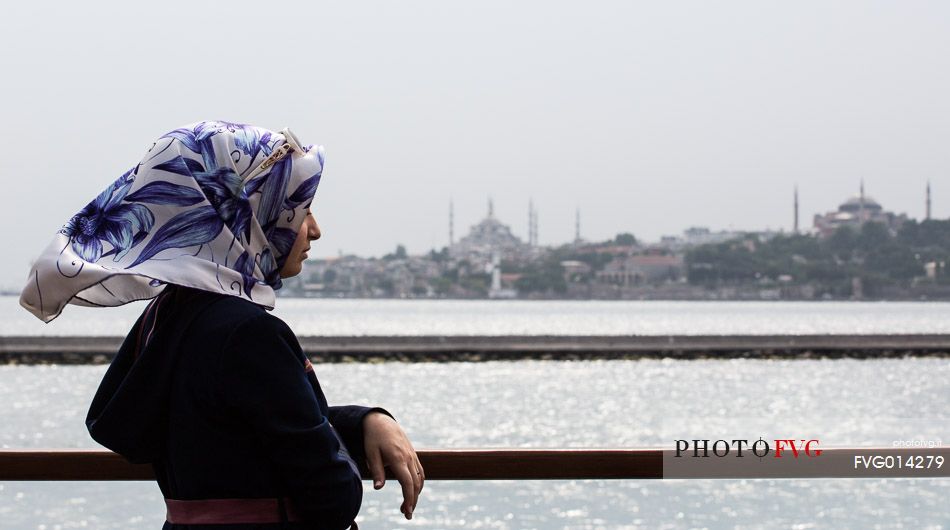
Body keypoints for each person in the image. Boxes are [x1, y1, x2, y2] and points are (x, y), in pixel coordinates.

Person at [19, 121, 424, 529]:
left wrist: (362, 420)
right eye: (299, 210)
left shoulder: (169, 315)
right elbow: (333, 495)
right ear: (248, 214)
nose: (314, 230)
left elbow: (238, 428)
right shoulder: (249, 332)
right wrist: (353, 439)